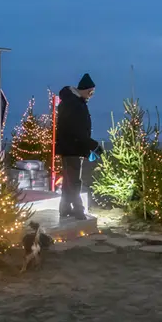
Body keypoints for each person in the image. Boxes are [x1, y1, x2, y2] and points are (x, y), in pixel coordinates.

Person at [55, 73, 103, 220]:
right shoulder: (74, 104)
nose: (91, 95)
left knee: (69, 181)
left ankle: (65, 208)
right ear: (84, 89)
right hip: (72, 149)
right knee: (74, 181)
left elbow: (77, 130)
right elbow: (77, 130)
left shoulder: (74, 102)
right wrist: (94, 145)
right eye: (91, 92)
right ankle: (78, 210)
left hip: (71, 148)